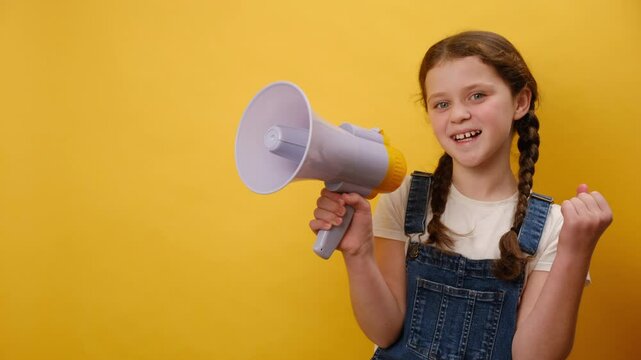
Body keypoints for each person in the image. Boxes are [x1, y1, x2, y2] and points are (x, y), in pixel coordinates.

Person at [309, 31, 613, 360]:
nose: (457, 115)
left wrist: (575, 252)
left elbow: (535, 356)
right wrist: (358, 253)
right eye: (442, 104)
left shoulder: (553, 227)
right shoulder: (405, 196)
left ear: (520, 102)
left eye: (477, 95)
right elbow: (384, 330)